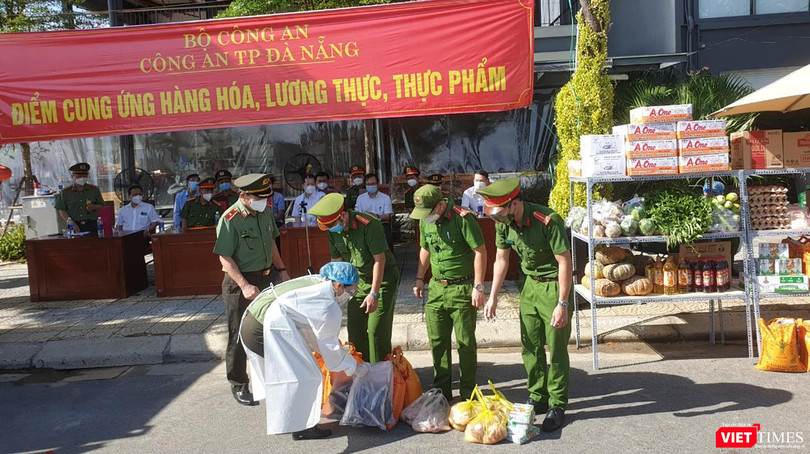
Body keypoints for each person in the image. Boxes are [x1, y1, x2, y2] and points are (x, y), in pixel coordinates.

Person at [476, 177, 572, 433]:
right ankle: (537, 396)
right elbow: (501, 259)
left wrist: (562, 303)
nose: (497, 220)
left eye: (499, 213)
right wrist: (493, 295)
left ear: (514, 204)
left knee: (557, 348)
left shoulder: (548, 220)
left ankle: (557, 403)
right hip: (529, 286)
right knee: (530, 345)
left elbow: (565, 262)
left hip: (553, 286)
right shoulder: (503, 223)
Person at [240, 262, 369, 440]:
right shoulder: (327, 305)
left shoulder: (318, 283)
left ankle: (293, 420)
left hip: (255, 320)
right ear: (339, 285)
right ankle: (302, 428)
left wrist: (334, 353)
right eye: (350, 291)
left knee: (298, 373)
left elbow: (314, 334)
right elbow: (331, 354)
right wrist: (354, 366)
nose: (349, 296)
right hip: (261, 328)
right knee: (307, 375)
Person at [213, 173, 291, 406]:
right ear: (244, 196)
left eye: (266, 198)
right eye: (258, 198)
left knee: (269, 329)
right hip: (241, 283)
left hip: (267, 278)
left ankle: (271, 377)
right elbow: (224, 257)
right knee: (238, 334)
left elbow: (272, 244)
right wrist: (244, 285)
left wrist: (283, 269)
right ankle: (239, 383)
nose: (264, 202)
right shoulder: (231, 218)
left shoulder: (264, 212)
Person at [410, 185, 486, 401]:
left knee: (465, 343)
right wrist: (419, 278)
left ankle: (468, 393)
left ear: (441, 205)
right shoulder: (427, 220)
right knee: (437, 341)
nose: (425, 217)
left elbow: (480, 251)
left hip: (461, 288)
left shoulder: (463, 219)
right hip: (436, 289)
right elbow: (425, 249)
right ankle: (442, 392)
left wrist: (478, 287)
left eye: (429, 212)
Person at [309, 193, 400, 363]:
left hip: (382, 280)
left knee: (376, 331)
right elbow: (337, 263)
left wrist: (374, 294)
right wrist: (333, 288)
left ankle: (382, 375)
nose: (331, 229)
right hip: (356, 282)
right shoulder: (332, 230)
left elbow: (379, 260)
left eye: (333, 224)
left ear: (343, 215)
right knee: (355, 331)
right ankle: (362, 372)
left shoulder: (369, 225)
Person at [54, 162, 105, 232]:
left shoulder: (94, 190)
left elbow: (102, 206)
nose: (82, 178)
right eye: (79, 176)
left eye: (84, 176)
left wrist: (93, 207)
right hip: (74, 225)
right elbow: (61, 210)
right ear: (72, 177)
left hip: (91, 225)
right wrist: (71, 223)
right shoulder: (66, 192)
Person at [355, 173, 394, 252]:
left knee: (387, 238)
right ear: (365, 185)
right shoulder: (360, 198)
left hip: (381, 224)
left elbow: (388, 216)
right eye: (368, 184)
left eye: (373, 184)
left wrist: (376, 216)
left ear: (377, 184)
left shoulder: (385, 198)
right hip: (365, 225)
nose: (371, 186)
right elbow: (357, 214)